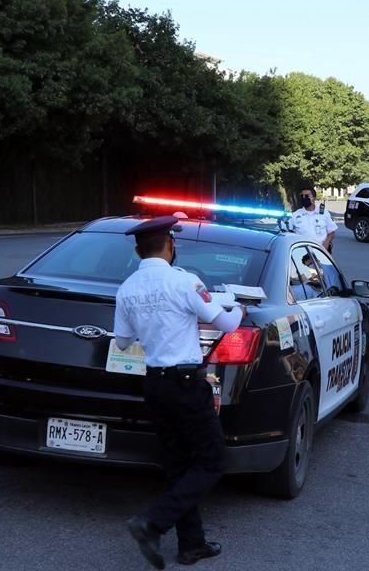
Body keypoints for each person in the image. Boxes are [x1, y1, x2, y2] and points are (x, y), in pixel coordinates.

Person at [113, 215, 244, 569]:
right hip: (186, 384)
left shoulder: (127, 288)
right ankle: (152, 523)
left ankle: (192, 544)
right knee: (213, 459)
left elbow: (123, 343)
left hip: (154, 383)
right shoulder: (185, 281)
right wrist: (239, 305)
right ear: (171, 245)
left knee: (178, 464)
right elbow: (228, 324)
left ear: (139, 251)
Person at [290, 187, 337, 251]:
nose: (304, 198)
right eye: (302, 196)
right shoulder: (296, 215)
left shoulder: (324, 213)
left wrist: (326, 244)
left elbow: (332, 232)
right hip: (302, 252)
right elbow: (284, 230)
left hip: (321, 250)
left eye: (307, 196)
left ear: (314, 198)